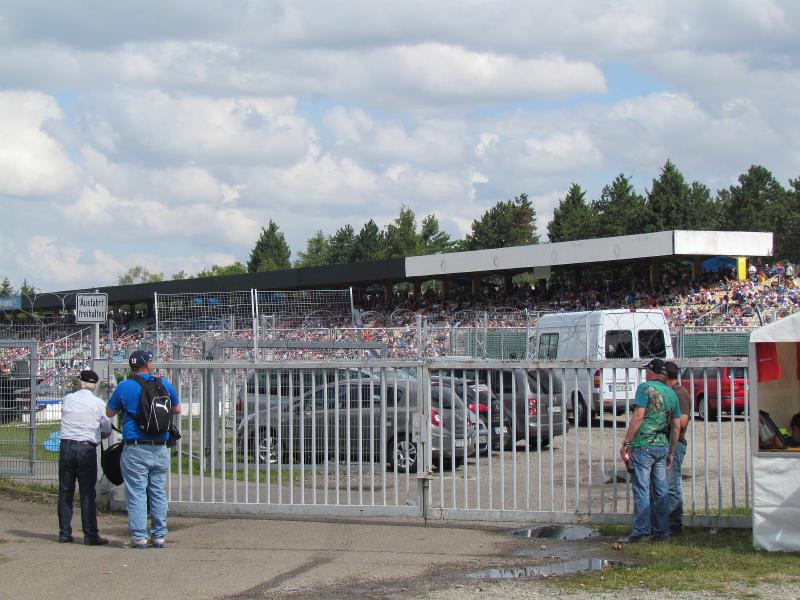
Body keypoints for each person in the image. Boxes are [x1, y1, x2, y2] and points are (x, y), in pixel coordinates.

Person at [107, 350, 180, 549]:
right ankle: (159, 535)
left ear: (132, 367)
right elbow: (177, 408)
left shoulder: (124, 386)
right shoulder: (162, 383)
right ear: (147, 364)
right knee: (157, 491)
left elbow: (109, 411)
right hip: (159, 446)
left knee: (137, 492)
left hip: (135, 447)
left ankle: (139, 536)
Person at [619, 358, 681, 543]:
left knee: (641, 489)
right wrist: (671, 451)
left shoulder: (645, 389)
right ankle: (662, 531)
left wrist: (627, 442)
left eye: (647, 371)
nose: (645, 373)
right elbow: (676, 426)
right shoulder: (671, 394)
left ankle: (641, 530)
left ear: (653, 373)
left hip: (643, 444)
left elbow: (638, 416)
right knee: (661, 490)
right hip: (661, 445)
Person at [57, 369, 112, 545]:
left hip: (66, 446)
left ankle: (64, 533)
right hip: (86, 448)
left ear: (79, 383)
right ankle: (90, 534)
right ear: (94, 386)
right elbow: (106, 429)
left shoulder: (68, 399)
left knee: (65, 492)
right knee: (87, 493)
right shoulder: (98, 403)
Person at [657, 361, 692, 536]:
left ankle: (674, 524)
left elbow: (683, 421)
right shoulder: (670, 393)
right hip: (668, 442)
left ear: (665, 376)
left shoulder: (680, 394)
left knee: (671, 484)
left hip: (676, 443)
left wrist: (663, 419)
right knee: (665, 483)